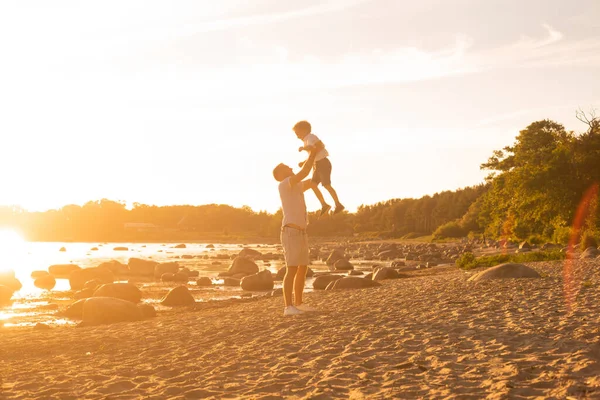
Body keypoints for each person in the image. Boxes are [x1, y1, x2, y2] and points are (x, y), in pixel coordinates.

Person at [272, 142, 323, 316]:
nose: (291, 167)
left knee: (302, 268)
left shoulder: (296, 186)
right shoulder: (285, 184)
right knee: (291, 269)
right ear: (281, 174)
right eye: (287, 167)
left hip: (300, 232)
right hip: (290, 232)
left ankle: (299, 303)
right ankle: (288, 307)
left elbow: (313, 180)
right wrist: (312, 153)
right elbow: (304, 173)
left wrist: (318, 160)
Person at [294, 120, 345, 217]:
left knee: (326, 185)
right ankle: (324, 204)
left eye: (298, 133)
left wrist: (304, 148)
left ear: (304, 130)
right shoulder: (306, 140)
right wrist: (304, 162)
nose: (297, 136)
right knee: (313, 184)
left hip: (323, 163)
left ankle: (338, 204)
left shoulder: (311, 137)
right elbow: (313, 154)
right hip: (316, 164)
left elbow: (319, 146)